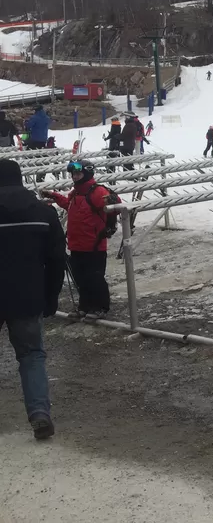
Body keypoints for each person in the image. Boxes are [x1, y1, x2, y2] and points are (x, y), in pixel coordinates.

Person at [0, 159, 66, 440]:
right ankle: (39, 414)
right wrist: (50, 297)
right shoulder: (43, 212)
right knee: (31, 356)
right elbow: (57, 259)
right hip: (28, 296)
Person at [42, 161, 115, 322]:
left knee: (95, 278)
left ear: (87, 174)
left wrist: (109, 223)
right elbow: (68, 205)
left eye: (78, 174)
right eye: (73, 174)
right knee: (80, 278)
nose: (74, 177)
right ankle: (85, 306)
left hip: (94, 245)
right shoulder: (76, 192)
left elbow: (114, 207)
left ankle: (100, 307)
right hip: (76, 245)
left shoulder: (97, 191)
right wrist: (54, 196)